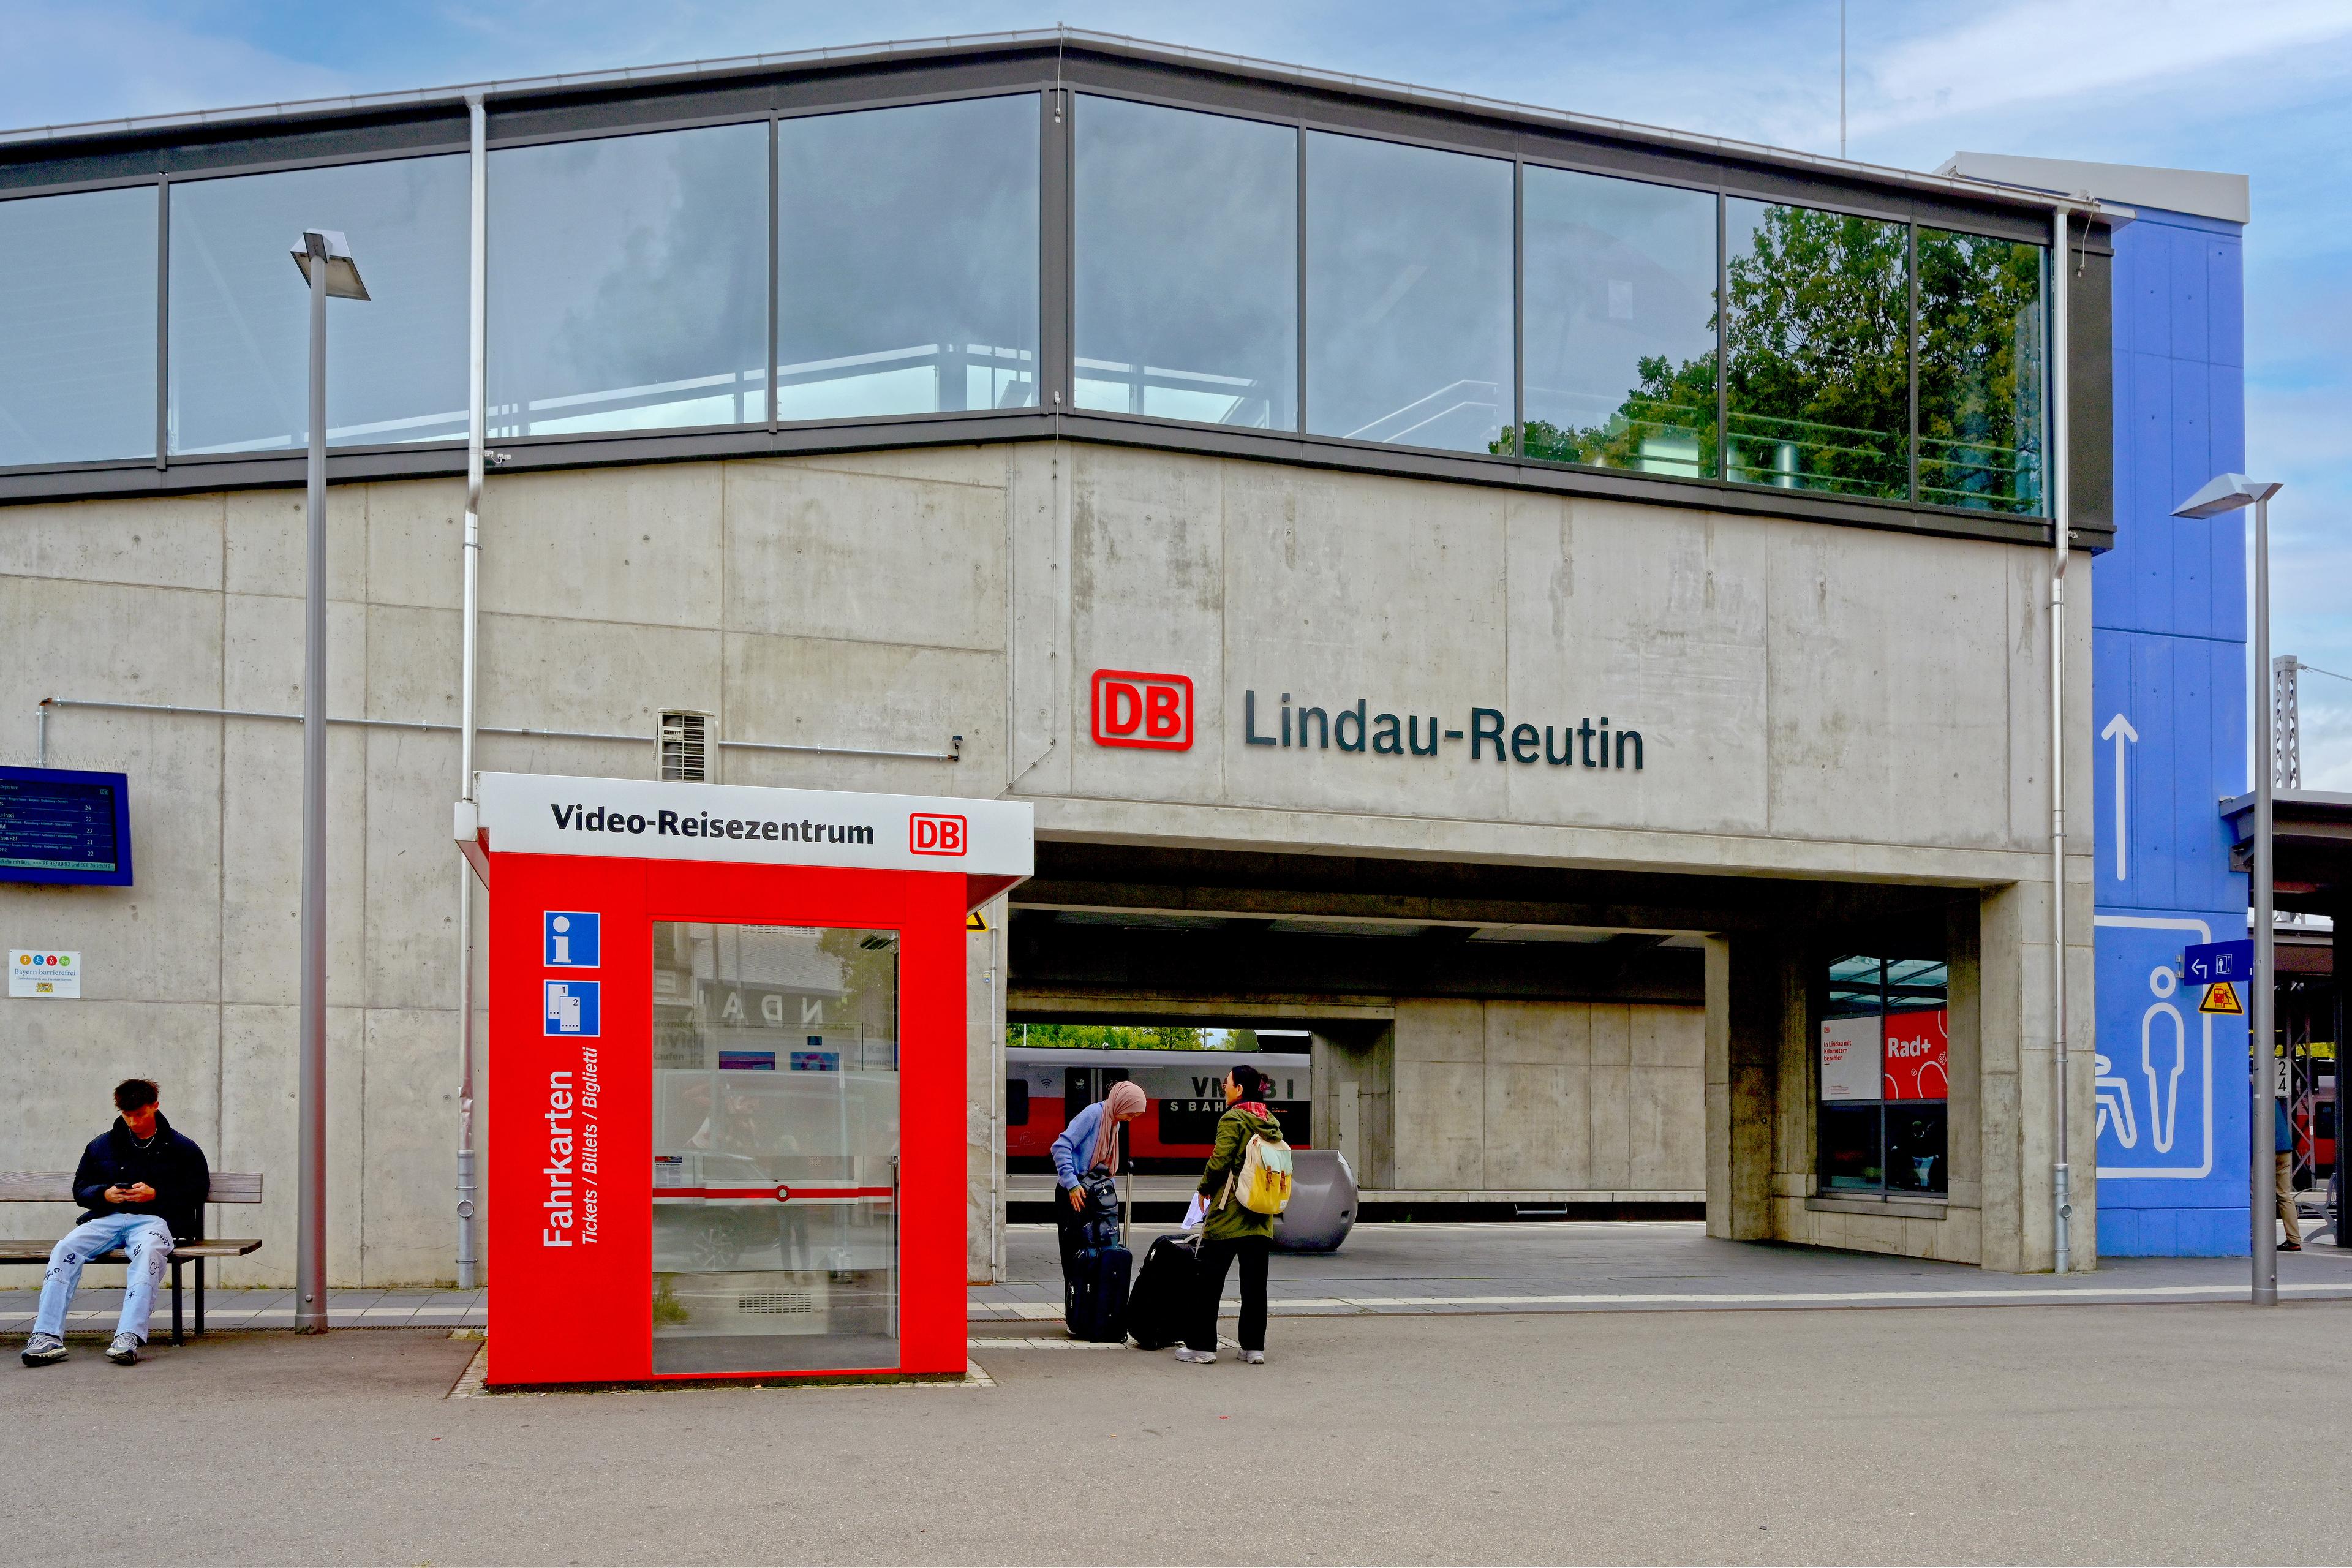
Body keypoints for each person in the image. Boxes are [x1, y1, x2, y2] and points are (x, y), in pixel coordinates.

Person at [21, 1079, 209, 1368]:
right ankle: (46, 1336)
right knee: (65, 1248)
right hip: (107, 1218)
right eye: (127, 1115)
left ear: (155, 1107)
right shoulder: (102, 1145)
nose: (133, 1122)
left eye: (140, 1115)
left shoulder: (182, 1147)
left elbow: (198, 1190)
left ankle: (129, 1336)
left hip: (156, 1221)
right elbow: (81, 1189)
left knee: (147, 1254)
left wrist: (157, 1194)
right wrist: (105, 1194)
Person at [1177, 1063, 1282, 1367]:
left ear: (1239, 1089)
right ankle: (1253, 1348)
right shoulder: (1270, 1120)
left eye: (1227, 1084)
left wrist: (1203, 1189)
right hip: (1262, 1215)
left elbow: (1220, 1159)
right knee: (1254, 1285)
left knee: (1207, 1282)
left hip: (1229, 1212)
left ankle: (1202, 1347)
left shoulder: (1233, 1118)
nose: (1224, 1088)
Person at [1050, 1080, 1147, 1283]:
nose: (1130, 1119)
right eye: (1129, 1113)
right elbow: (1061, 1147)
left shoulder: (1113, 1122)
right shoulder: (1093, 1115)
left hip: (1092, 1193)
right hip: (1074, 1192)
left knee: (1093, 1255)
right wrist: (1072, 1183)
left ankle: (1089, 1307)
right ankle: (1075, 1306)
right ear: (1121, 1103)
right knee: (1075, 1257)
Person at [2276, 1096, 2304, 1253]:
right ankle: (2294, 1240)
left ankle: (2255, 1238)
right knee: (2284, 1195)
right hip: (2285, 1149)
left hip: (2265, 1149)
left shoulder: (2249, 1097)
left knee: (2255, 1194)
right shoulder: (2273, 1100)